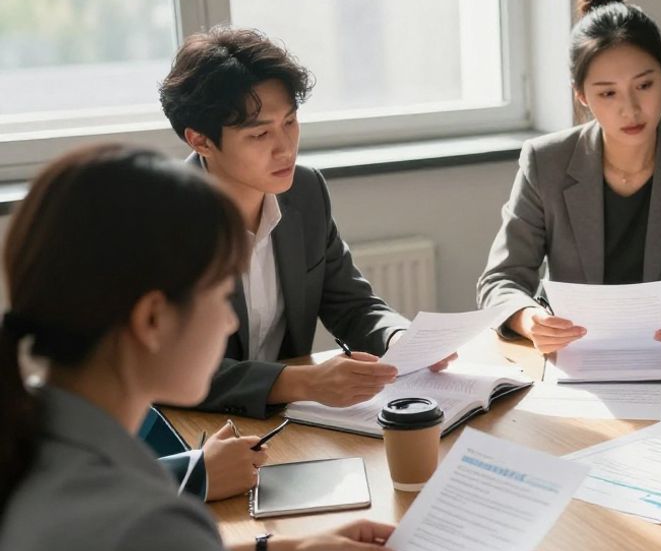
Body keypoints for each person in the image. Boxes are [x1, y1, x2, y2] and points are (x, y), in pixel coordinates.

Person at [0, 145, 541, 551]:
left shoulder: (36, 444)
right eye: (219, 293)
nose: (232, 318)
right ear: (153, 319)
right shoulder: (138, 530)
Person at [158, 27, 450, 421]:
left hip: (283, 422)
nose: (286, 148)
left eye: (291, 123)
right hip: (194, 428)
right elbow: (169, 369)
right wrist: (304, 382)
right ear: (200, 141)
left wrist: (400, 339)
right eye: (260, 133)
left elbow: (350, 303)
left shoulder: (305, 190)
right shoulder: (160, 219)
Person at [478, 0, 661, 354]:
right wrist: (529, 319)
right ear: (582, 95)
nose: (631, 109)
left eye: (645, 85)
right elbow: (501, 280)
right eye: (607, 93)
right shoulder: (545, 161)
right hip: (571, 356)